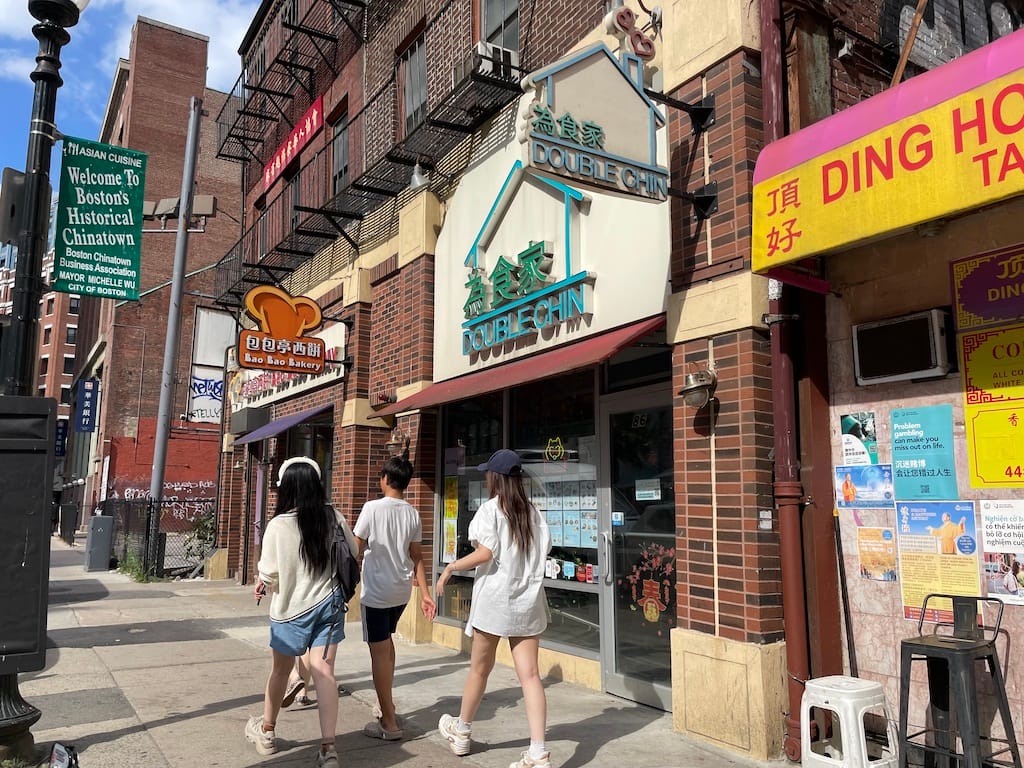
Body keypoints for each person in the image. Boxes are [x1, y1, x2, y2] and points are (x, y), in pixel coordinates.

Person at [435, 448, 553, 768]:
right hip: (529, 600)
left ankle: (462, 732)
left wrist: (450, 568)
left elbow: (485, 553)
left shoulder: (490, 510)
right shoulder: (534, 514)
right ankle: (538, 752)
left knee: (479, 670)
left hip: (496, 600)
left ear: (495, 478)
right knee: (530, 675)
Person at [246, 456, 353, 768]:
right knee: (324, 672)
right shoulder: (333, 516)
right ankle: (329, 749)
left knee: (281, 671)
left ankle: (266, 732)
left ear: (286, 489)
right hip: (329, 605)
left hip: (289, 611)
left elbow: (269, 574)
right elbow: (354, 552)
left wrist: (261, 583)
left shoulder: (278, 525)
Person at [354, 450, 436, 740]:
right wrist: (426, 593)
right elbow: (418, 557)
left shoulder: (372, 508)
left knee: (378, 652)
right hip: (401, 592)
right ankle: (386, 702)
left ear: (386, 479)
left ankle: (389, 722)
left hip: (376, 591)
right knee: (387, 645)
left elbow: (357, 547)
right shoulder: (413, 513)